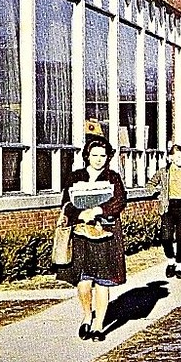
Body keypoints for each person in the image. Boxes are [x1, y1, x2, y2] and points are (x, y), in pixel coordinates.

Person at [56, 137, 127, 342]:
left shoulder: (112, 177)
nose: (98, 160)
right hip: (81, 236)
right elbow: (66, 203)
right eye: (94, 155)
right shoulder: (75, 177)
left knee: (102, 282)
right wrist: (79, 214)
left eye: (102, 156)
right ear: (87, 155)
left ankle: (98, 325)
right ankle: (87, 316)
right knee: (84, 283)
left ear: (108, 157)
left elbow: (120, 200)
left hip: (105, 235)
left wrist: (98, 210)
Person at [145, 144, 181, 279]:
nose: (180, 159)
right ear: (170, 157)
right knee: (166, 238)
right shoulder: (163, 172)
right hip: (168, 208)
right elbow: (150, 184)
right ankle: (171, 261)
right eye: (177, 156)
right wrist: (158, 195)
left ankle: (179, 266)